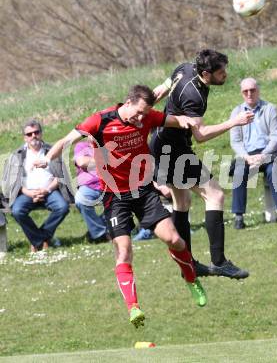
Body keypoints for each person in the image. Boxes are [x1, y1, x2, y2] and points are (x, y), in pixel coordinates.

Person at [34, 85, 208, 328]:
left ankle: (191, 279)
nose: (141, 119)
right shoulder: (100, 121)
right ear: (128, 102)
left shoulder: (148, 117)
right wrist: (45, 159)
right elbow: (67, 141)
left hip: (144, 191)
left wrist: (190, 120)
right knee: (124, 251)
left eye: (145, 114)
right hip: (114, 196)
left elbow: (176, 120)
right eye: (138, 113)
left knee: (174, 240)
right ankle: (133, 307)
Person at [151, 49, 254, 280]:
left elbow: (160, 90)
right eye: (221, 72)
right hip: (174, 150)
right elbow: (201, 134)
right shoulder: (194, 96)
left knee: (182, 201)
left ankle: (186, 262)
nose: (225, 75)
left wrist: (144, 111)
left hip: (161, 144)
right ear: (206, 74)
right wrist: (234, 122)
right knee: (215, 195)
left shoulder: (184, 67)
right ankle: (219, 262)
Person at [2, 120, 72, 252]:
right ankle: (42, 240)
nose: (33, 136)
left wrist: (46, 190)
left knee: (62, 207)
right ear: (25, 137)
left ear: (41, 133)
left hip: (50, 190)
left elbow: (61, 177)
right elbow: (13, 182)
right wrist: (28, 192)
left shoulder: (53, 151)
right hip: (27, 193)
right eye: (29, 134)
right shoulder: (16, 155)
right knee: (17, 211)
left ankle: (38, 239)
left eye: (36, 132)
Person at [229, 78, 277, 229]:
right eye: (245, 91)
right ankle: (238, 217)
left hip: (268, 153)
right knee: (238, 171)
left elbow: (275, 136)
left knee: (273, 170)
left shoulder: (270, 109)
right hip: (247, 155)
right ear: (241, 93)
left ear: (258, 90)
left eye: (252, 90)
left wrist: (263, 155)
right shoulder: (236, 112)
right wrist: (247, 157)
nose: (249, 94)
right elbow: (235, 141)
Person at [74, 140, 110, 243]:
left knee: (123, 200)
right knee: (81, 200)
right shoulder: (81, 145)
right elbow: (82, 162)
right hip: (89, 186)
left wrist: (91, 161)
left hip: (110, 185)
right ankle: (100, 233)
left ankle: (95, 232)